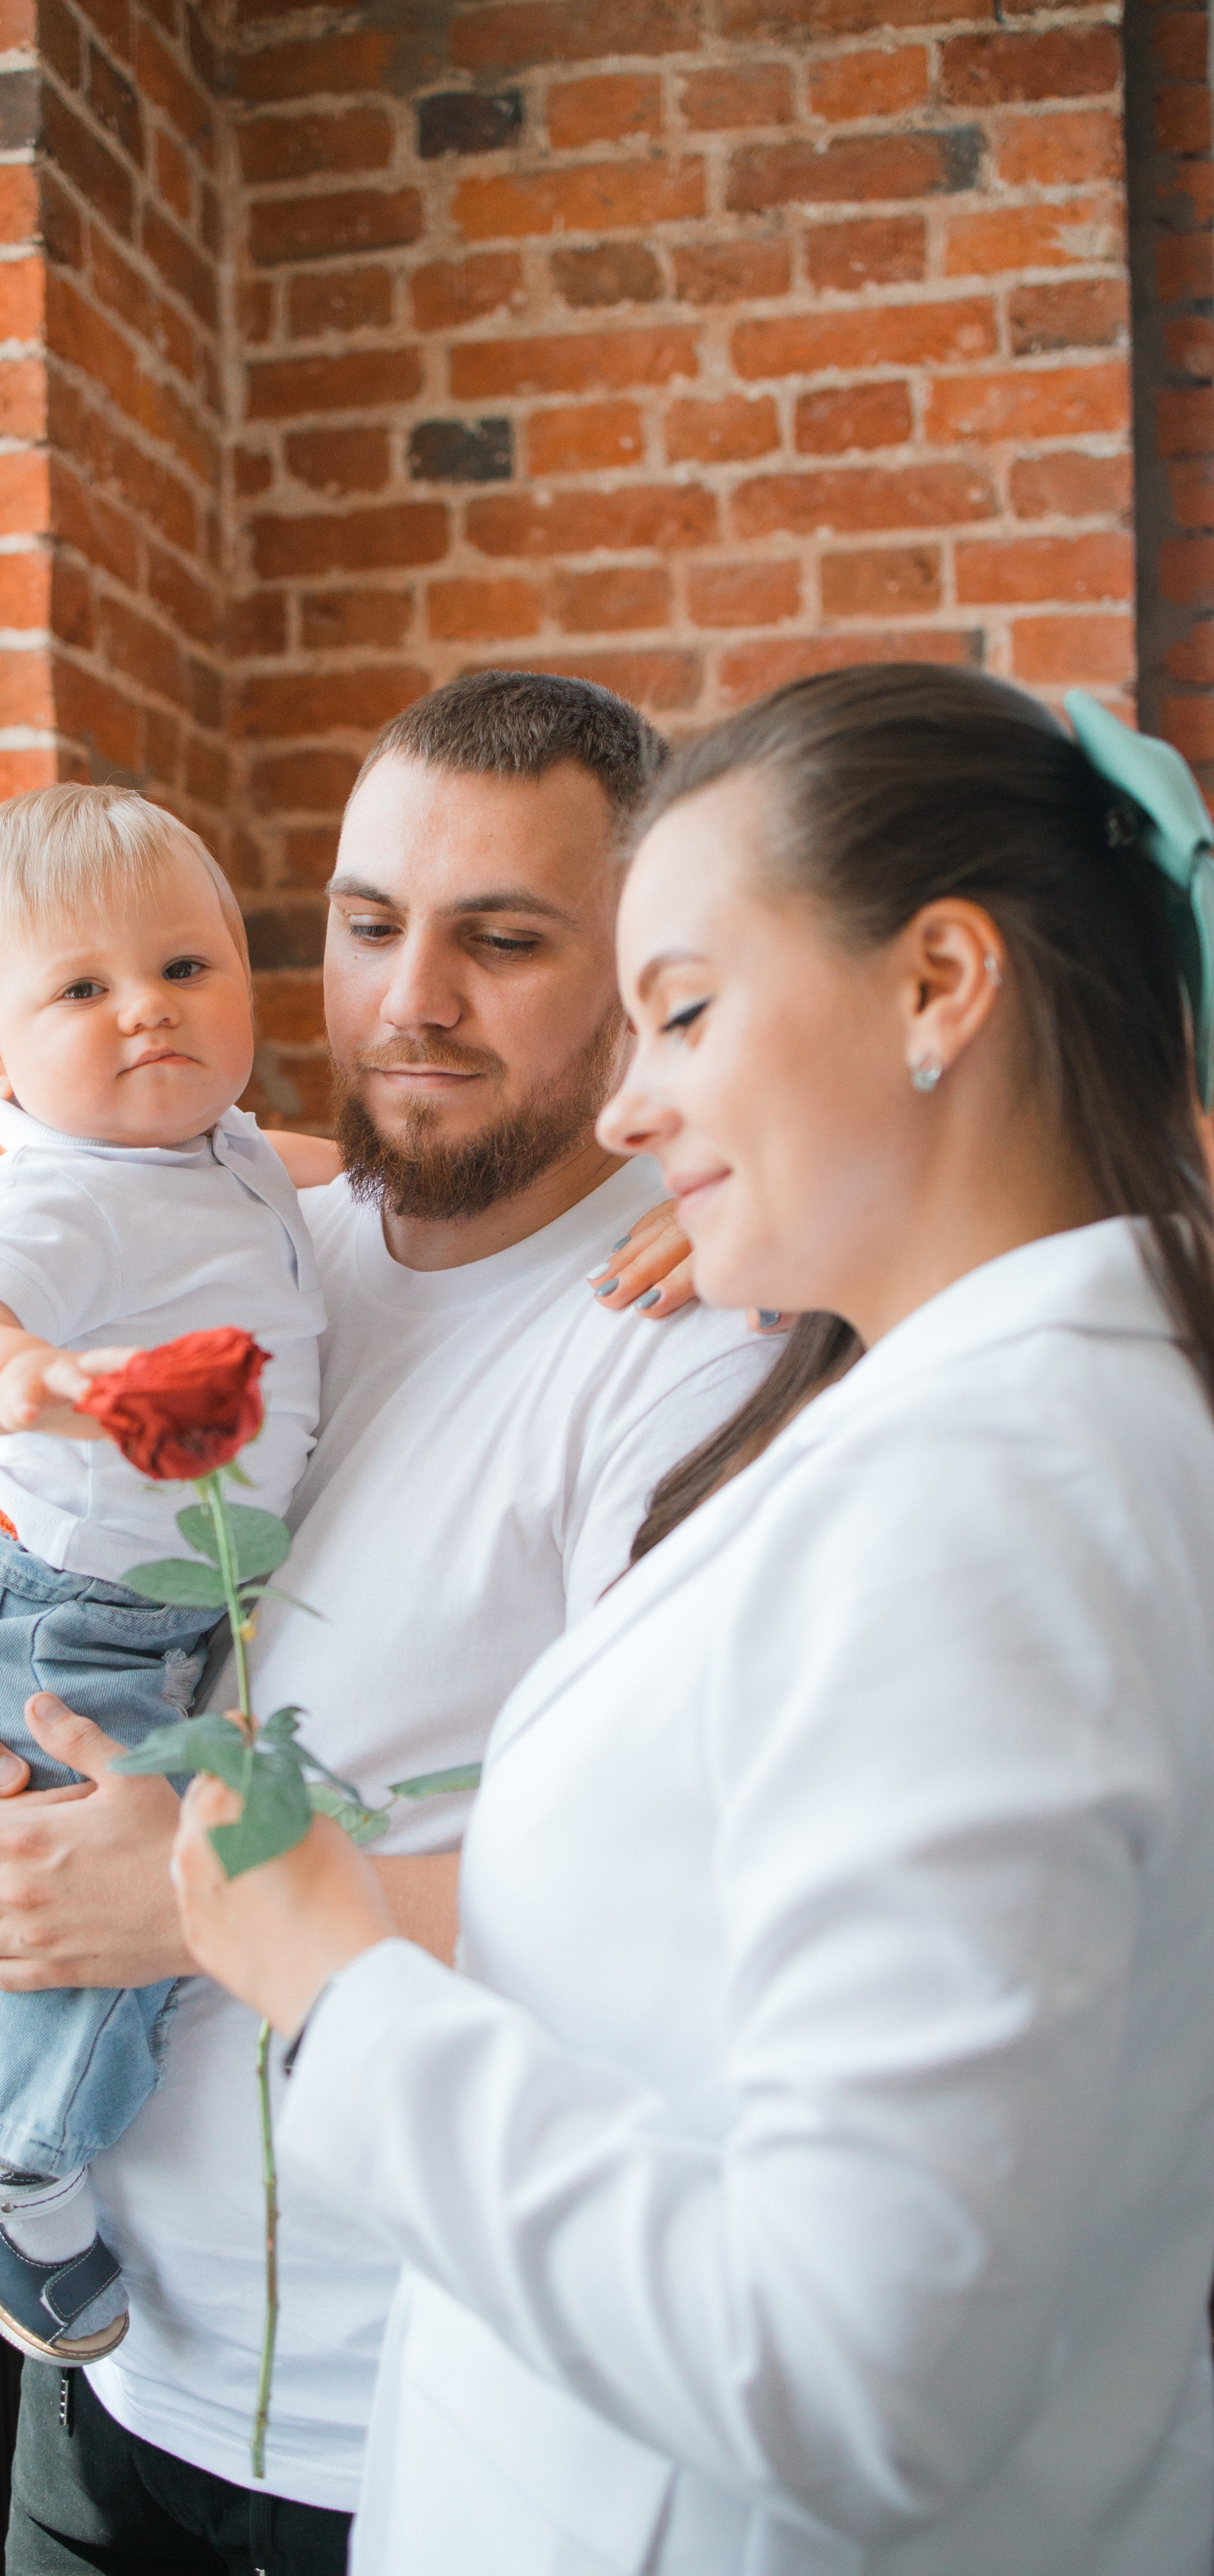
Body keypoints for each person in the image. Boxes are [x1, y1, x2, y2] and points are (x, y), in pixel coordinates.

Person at [170, 663, 1214, 2576]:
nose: (633, 1103)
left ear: (939, 988)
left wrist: (338, 1983)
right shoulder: (996, 1417)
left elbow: (854, 2367)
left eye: (687, 1009)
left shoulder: (984, 1506)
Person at [0, 671, 773, 2574]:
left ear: (643, 967)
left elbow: (722, 1917)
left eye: (503, 940)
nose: (410, 1001)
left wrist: (198, 1885)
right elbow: (42, 1564)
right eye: (367, 926)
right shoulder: (262, 1234)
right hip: (111, 2369)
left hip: (428, 2429)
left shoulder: (697, 1345)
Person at [0, 783, 327, 2365]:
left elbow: (334, 1171)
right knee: (94, 1887)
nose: (148, 1010)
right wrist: (37, 1378)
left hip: (86, 1590)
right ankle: (9, 2177)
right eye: (82, 989)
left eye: (187, 968)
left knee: (17, 1826)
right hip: (31, 1596)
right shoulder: (51, 1191)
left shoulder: (225, 1149)